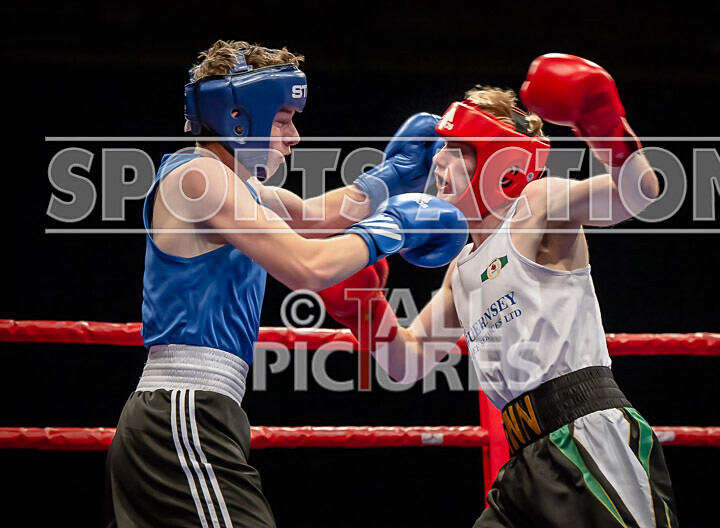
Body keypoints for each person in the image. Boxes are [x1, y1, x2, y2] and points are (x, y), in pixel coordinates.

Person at [104, 39, 467, 527]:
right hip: (183, 414)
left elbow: (317, 217)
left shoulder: (238, 187)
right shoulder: (200, 177)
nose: (294, 136)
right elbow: (306, 266)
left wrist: (394, 176)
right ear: (239, 116)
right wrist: (393, 228)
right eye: (282, 120)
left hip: (190, 415)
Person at [320, 54, 678, 527]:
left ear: (502, 164)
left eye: (458, 148)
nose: (439, 161)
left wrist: (604, 125)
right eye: (442, 146)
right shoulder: (461, 266)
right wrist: (364, 310)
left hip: (587, 433)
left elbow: (636, 194)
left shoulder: (536, 205)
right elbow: (407, 362)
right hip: (523, 458)